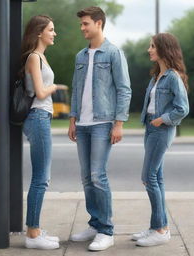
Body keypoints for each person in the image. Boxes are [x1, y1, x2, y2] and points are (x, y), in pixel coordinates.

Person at [68, 6, 131, 251]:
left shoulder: (114, 53)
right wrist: (73, 119)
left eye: (85, 24)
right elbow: (76, 88)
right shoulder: (80, 56)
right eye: (81, 24)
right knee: (86, 178)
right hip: (82, 124)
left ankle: (106, 230)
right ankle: (94, 224)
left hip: (103, 123)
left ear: (99, 23)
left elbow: (124, 89)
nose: (82, 28)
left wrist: (119, 123)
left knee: (98, 175)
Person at [132, 33, 189, 247]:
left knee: (148, 177)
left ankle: (160, 230)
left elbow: (182, 108)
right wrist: (150, 122)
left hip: (161, 129)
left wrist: (161, 120)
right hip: (151, 127)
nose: (149, 49)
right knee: (157, 177)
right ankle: (157, 226)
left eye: (153, 46)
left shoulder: (173, 77)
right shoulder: (156, 76)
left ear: (164, 49)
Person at [21, 15, 60, 250]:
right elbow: (40, 92)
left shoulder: (41, 57)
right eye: (51, 30)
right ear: (39, 33)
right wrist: (54, 87)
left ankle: (34, 229)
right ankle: (33, 234)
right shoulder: (34, 58)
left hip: (41, 117)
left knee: (41, 177)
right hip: (37, 117)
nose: (54, 33)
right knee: (41, 179)